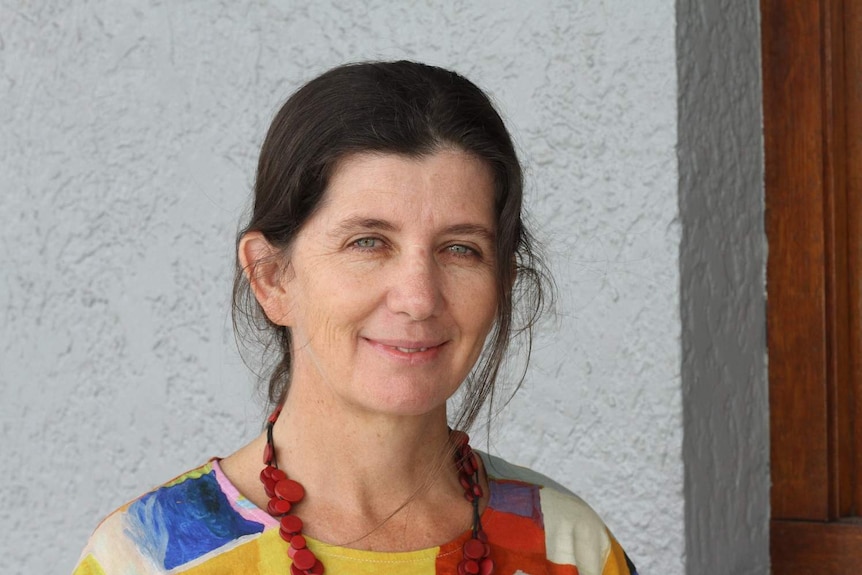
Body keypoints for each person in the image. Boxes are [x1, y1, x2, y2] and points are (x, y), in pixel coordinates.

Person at [74, 60, 638, 575]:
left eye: (460, 248)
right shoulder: (149, 556)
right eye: (368, 242)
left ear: (503, 282)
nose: (418, 298)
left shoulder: (568, 548)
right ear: (271, 277)